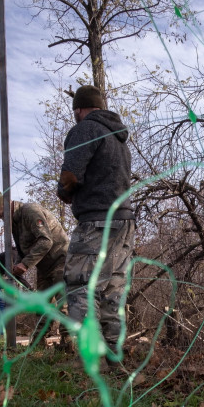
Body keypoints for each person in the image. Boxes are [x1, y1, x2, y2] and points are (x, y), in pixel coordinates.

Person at [56, 85, 135, 352]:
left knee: (81, 287)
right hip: (124, 223)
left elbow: (71, 175)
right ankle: (114, 355)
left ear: (78, 109)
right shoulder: (119, 138)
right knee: (113, 292)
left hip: (96, 223)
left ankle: (91, 359)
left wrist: (64, 192)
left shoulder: (85, 129)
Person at [0, 191, 69, 334]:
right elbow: (23, 250)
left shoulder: (30, 211)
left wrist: (25, 264)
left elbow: (46, 241)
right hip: (43, 265)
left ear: (7, 203)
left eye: (2, 215)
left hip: (59, 259)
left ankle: (67, 341)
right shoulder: (15, 223)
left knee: (62, 300)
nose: (2, 219)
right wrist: (18, 264)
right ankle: (40, 340)